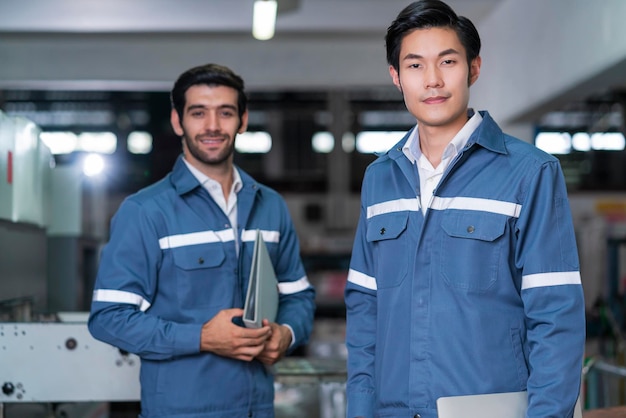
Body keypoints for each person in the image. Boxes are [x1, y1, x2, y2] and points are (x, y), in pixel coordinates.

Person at [344, 1, 586, 417]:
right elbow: (365, 313)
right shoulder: (379, 178)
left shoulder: (530, 172)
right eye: (415, 66)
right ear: (396, 78)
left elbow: (556, 316)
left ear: (473, 68)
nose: (433, 80)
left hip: (490, 410)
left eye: (448, 61)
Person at [88, 63, 316, 418]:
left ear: (242, 120)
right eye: (198, 113)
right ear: (178, 121)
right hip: (179, 409)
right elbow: (109, 318)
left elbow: (298, 295)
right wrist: (201, 337)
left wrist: (286, 333)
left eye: (225, 113)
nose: (212, 126)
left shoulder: (270, 205)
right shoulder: (146, 212)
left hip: (258, 407)